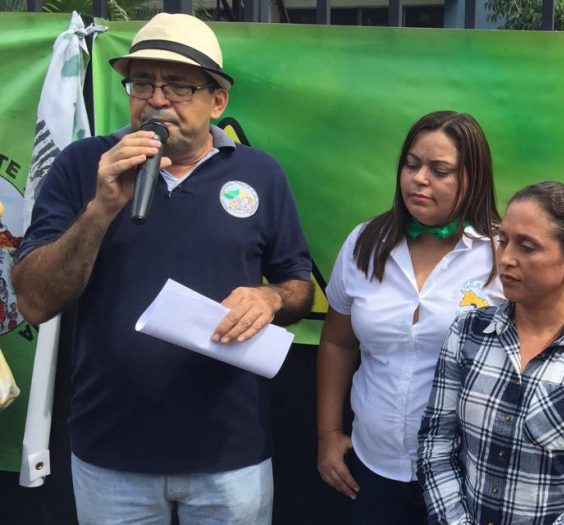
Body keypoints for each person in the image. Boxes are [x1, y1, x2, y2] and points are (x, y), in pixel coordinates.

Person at [12, 13, 313, 524]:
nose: (156, 100)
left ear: (217, 101)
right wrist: (102, 208)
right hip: (111, 453)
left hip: (229, 455)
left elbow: (298, 287)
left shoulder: (260, 173)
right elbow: (34, 301)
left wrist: (270, 298)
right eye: (142, 83)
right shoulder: (84, 165)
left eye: (177, 85)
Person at [418, 181, 564, 524]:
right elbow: (436, 444)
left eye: (527, 247)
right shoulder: (469, 332)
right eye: (503, 241)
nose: (506, 258)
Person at [316, 111, 505, 524]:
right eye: (411, 164)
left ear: (473, 179)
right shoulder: (365, 243)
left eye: (440, 170)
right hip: (373, 467)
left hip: (467, 474)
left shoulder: (500, 254)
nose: (419, 179)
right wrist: (328, 433)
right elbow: (337, 342)